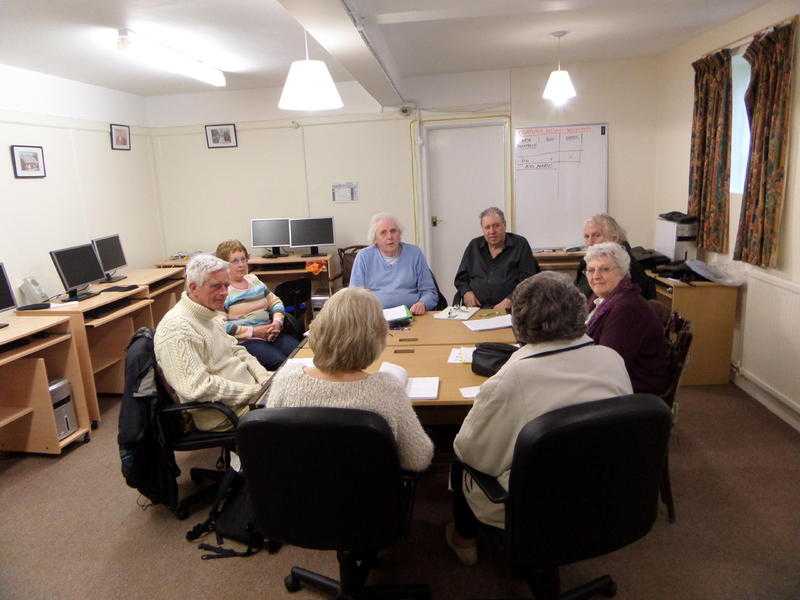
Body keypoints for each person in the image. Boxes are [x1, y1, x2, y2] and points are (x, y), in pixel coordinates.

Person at [447, 272, 632, 565]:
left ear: (518, 322)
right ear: (579, 311)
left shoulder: (512, 378)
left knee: (459, 457)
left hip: (533, 505)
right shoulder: (612, 359)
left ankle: (464, 537)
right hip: (602, 490)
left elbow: (471, 452)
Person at [266, 287, 434, 471]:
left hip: (295, 494)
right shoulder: (388, 390)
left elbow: (271, 447)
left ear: (319, 326)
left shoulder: (286, 379)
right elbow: (418, 459)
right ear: (376, 336)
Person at [154, 254, 270, 432]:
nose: (224, 292)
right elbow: (199, 388)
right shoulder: (176, 329)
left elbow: (239, 351)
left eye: (226, 285)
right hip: (227, 413)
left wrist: (265, 379)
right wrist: (255, 392)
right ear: (193, 287)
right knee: (303, 416)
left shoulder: (210, 313)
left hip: (251, 394)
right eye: (216, 286)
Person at [584, 242, 670, 395]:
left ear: (622, 272)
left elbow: (608, 365)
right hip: (614, 380)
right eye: (591, 270)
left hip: (633, 391)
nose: (596, 276)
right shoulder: (602, 298)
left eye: (604, 269)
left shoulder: (626, 307)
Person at [215, 240, 298, 370]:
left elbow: (275, 302)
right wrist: (254, 332)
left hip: (271, 333)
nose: (241, 264)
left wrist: (277, 322)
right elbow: (221, 326)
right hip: (248, 341)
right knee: (281, 364)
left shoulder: (254, 280)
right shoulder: (223, 291)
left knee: (299, 355)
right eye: (235, 261)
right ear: (224, 265)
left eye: (243, 259)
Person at [349, 213, 437, 315]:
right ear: (375, 239)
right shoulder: (364, 257)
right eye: (383, 233)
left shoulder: (414, 253)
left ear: (399, 234)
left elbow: (430, 292)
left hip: (412, 315)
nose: (390, 236)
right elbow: (354, 296)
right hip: (376, 317)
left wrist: (423, 304)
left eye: (393, 231)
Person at [454, 207, 540, 310]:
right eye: (487, 227)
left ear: (504, 225)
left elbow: (529, 281)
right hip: (475, 309)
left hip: (510, 310)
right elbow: (461, 278)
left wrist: (511, 299)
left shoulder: (520, 245)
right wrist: (466, 292)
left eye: (496, 226)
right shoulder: (474, 246)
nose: (492, 231)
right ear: (483, 229)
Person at [574, 214, 654, 299]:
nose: (590, 242)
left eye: (597, 235)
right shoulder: (587, 261)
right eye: (587, 236)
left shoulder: (626, 266)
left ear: (614, 238)